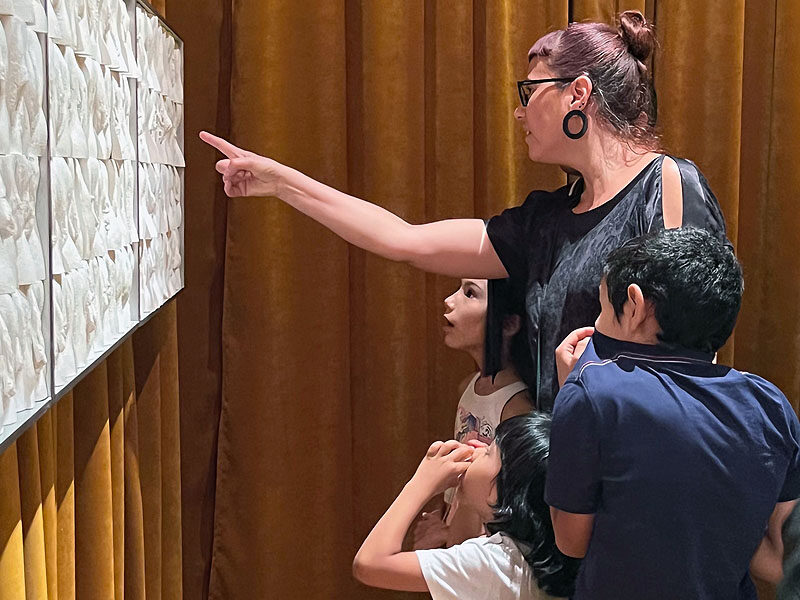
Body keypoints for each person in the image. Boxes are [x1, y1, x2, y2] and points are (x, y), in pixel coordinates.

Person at [200, 10, 729, 410]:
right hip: (563, 493)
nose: (520, 112)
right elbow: (404, 240)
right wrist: (279, 182)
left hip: (630, 492)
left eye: (530, 90)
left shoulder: (668, 186)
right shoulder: (545, 220)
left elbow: (690, 357)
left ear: (579, 94)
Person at [545, 227, 800, 599]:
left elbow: (571, 541)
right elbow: (779, 559)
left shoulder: (592, 393)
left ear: (634, 306)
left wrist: (574, 390)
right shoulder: (770, 403)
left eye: (600, 309)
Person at [353, 413, 580, 599]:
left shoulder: (497, 564)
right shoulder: (532, 554)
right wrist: (466, 490)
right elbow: (460, 542)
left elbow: (370, 564)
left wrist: (421, 482)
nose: (476, 446)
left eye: (489, 452)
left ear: (498, 492)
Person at [412, 277, 534, 550]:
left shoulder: (516, 408)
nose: (449, 300)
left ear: (509, 324)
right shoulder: (466, 387)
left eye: (469, 293)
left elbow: (508, 512)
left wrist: (450, 537)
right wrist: (442, 522)